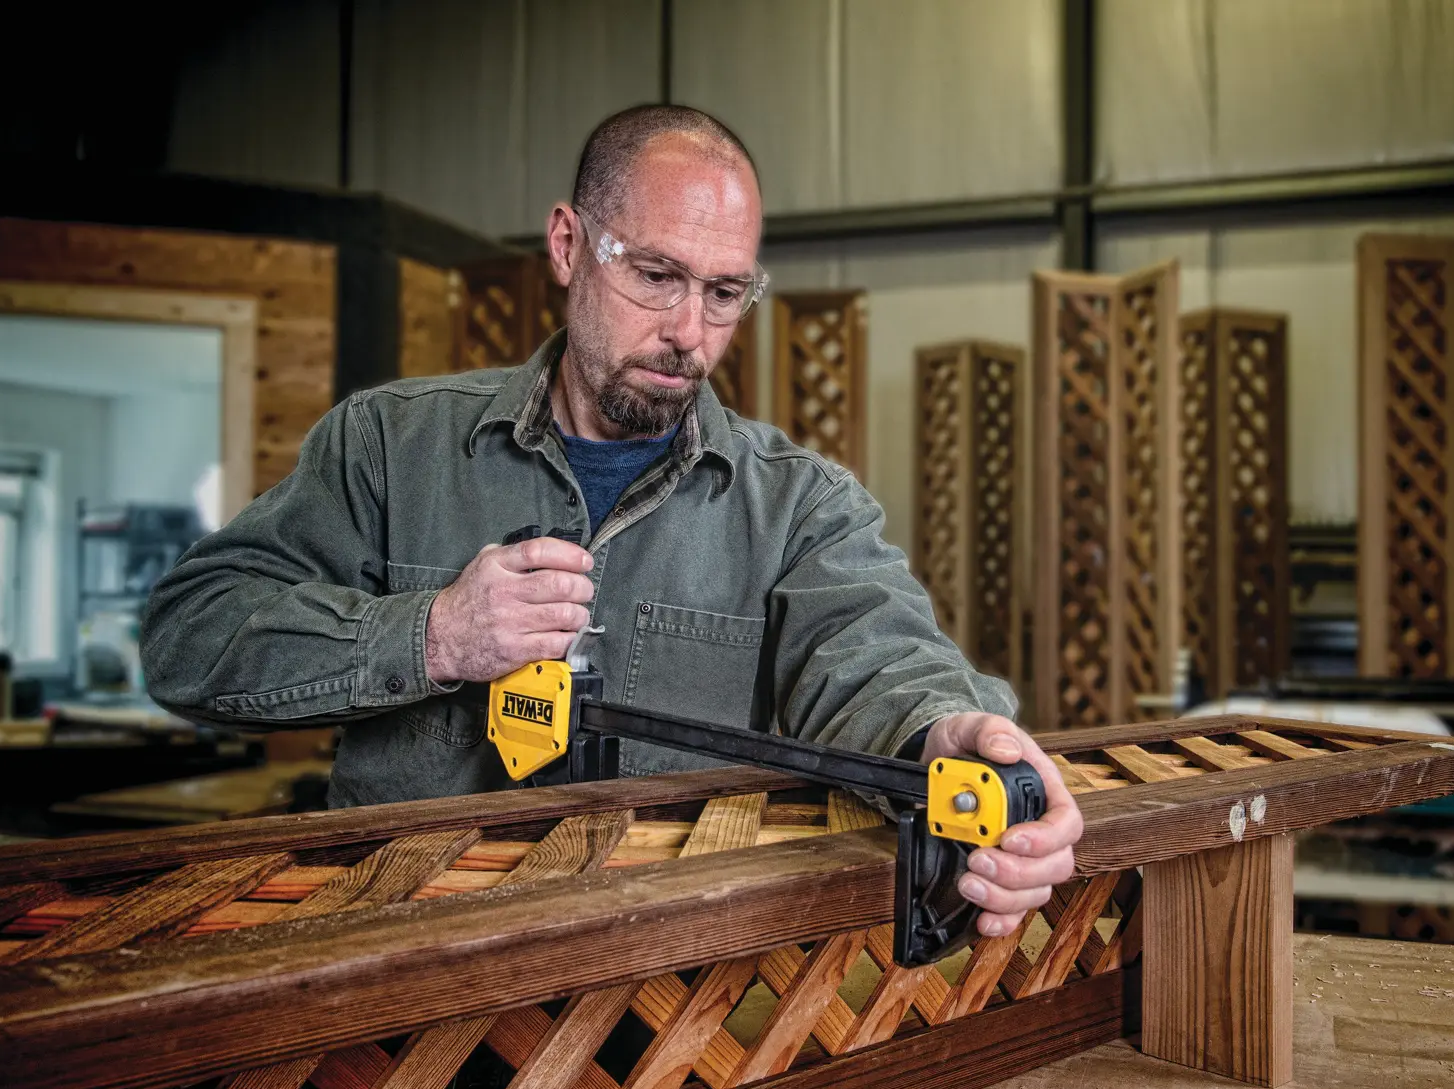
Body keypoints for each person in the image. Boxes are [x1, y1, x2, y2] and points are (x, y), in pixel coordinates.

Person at [141, 104, 1080, 939]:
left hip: (655, 1006)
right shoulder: (388, 447)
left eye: (723, 294)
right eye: (659, 276)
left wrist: (945, 733)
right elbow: (190, 637)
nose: (689, 334)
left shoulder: (798, 505)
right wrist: (431, 635)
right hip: (391, 981)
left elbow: (879, 662)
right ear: (567, 245)